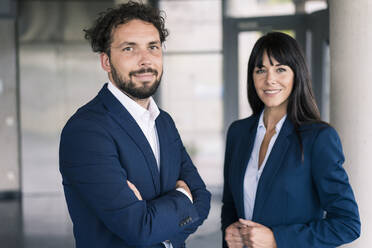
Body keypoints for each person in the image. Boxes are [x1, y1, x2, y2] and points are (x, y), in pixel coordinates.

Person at [59, 2, 211, 248]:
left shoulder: (164, 122)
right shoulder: (86, 131)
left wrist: (157, 223)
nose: (145, 60)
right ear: (106, 61)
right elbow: (138, 228)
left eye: (153, 47)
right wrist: (183, 197)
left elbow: (202, 199)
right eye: (129, 48)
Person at [221, 32, 360, 248]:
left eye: (280, 69)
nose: (270, 80)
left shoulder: (319, 138)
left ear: (297, 75)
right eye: (261, 70)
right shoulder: (238, 133)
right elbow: (230, 205)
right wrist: (229, 234)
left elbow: (348, 224)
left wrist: (277, 239)